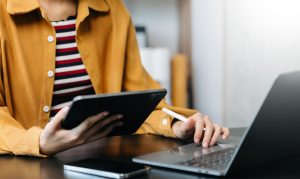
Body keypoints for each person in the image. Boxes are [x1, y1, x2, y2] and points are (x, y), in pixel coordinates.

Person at [0, 0, 229, 157]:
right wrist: (38, 142)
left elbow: (136, 101)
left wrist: (178, 125)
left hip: (101, 164)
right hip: (23, 171)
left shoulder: (113, 9)